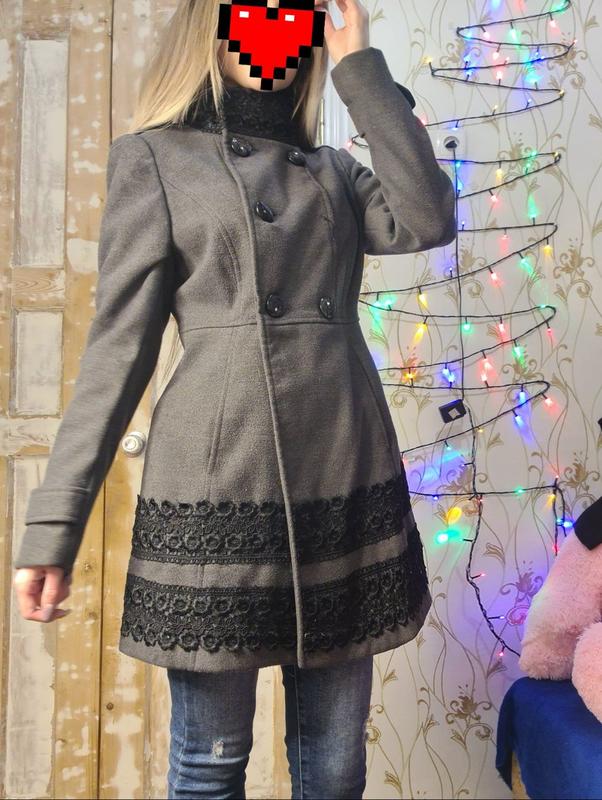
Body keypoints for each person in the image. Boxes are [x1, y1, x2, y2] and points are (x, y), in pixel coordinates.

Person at [13, 0, 457, 796]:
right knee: (211, 761)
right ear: (213, 28)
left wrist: (360, 66)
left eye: (294, 19)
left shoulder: (335, 172)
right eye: (257, 14)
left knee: (334, 765)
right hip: (219, 485)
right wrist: (54, 526)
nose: (274, 34)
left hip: (342, 469)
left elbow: (428, 218)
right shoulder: (155, 160)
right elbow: (116, 353)